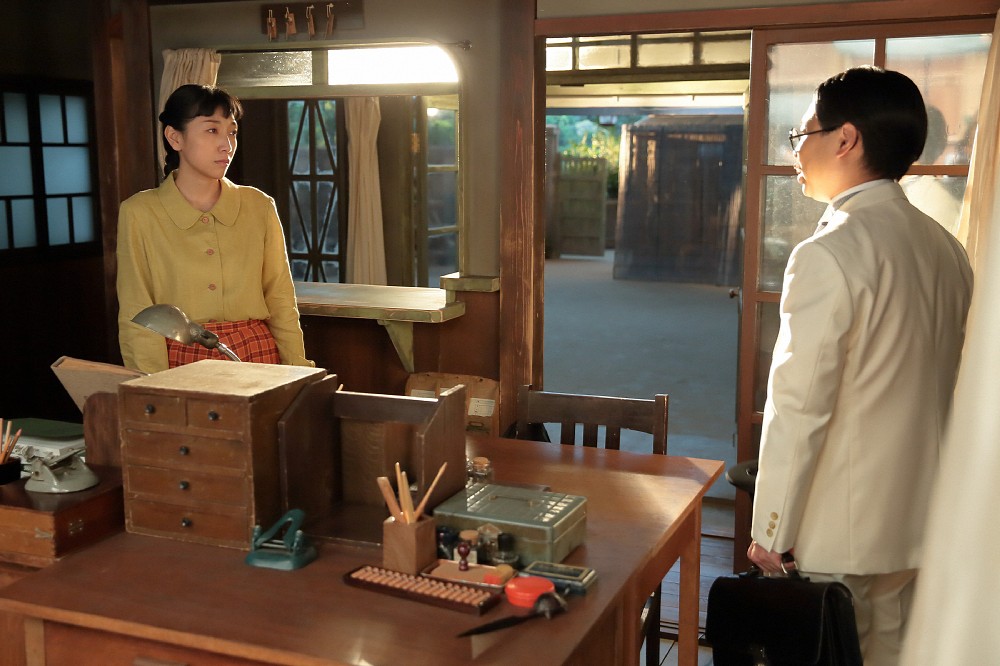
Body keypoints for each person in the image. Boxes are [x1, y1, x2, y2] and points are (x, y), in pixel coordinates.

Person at [748, 66, 973, 665]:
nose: (795, 153)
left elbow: (799, 407)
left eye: (801, 136)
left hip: (839, 536)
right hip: (921, 522)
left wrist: (770, 531)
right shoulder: (946, 249)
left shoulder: (828, 253)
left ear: (845, 139)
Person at [116, 84, 313, 374]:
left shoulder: (259, 205)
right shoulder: (139, 212)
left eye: (232, 132)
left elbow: (280, 297)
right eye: (212, 130)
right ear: (174, 137)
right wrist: (151, 384)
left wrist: (298, 371)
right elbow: (138, 312)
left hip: (257, 354)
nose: (227, 145)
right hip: (180, 361)